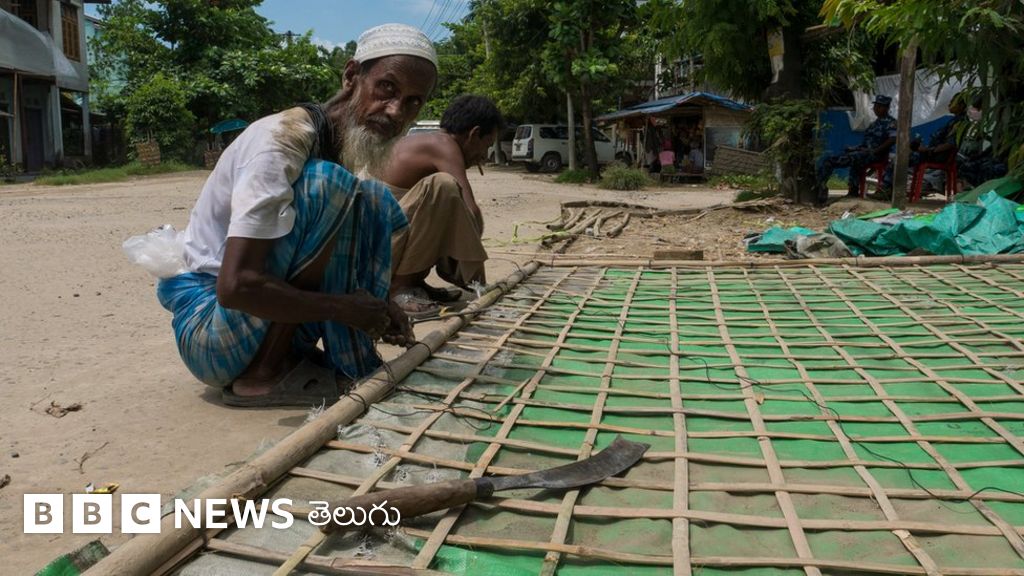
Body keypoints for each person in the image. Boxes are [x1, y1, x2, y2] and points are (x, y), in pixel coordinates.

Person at [156, 24, 438, 407]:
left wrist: (378, 307)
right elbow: (235, 287)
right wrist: (345, 309)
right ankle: (263, 376)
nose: (395, 111)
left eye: (413, 102)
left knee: (372, 200)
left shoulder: (336, 148)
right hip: (211, 332)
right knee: (331, 184)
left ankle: (339, 358)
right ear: (351, 76)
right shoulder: (281, 142)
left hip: (255, 324)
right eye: (386, 88)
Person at [374, 95, 502, 317]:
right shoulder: (443, 145)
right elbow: (471, 211)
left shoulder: (431, 141)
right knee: (443, 187)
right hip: (376, 254)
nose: (484, 155)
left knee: (447, 208)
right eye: (487, 145)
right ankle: (398, 288)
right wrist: (472, 272)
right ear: (474, 134)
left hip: (382, 247)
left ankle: (414, 282)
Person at [815, 94, 897, 204]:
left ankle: (852, 190)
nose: (876, 109)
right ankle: (822, 186)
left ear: (886, 108)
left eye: (879, 107)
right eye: (875, 106)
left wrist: (876, 151)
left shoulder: (891, 123)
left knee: (852, 158)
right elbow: (865, 144)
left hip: (877, 155)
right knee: (829, 159)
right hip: (864, 153)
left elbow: (892, 139)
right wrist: (853, 148)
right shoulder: (874, 124)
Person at [881, 92, 968, 195]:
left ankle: (886, 190)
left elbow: (950, 144)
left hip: (937, 156)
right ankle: (891, 189)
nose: (949, 104)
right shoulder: (955, 121)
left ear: (961, 106)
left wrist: (928, 150)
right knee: (908, 150)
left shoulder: (959, 123)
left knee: (900, 159)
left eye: (953, 102)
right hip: (934, 154)